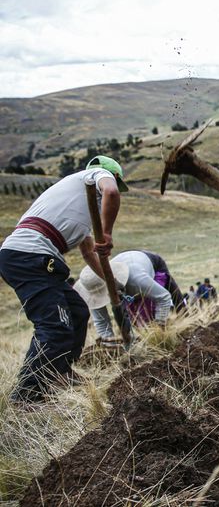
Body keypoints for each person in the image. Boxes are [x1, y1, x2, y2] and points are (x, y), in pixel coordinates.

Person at [0, 155, 127, 403]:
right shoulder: (93, 176)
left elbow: (89, 251)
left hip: (32, 257)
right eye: (117, 182)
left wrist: (113, 285)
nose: (113, 188)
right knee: (54, 328)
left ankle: (60, 371)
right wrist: (108, 233)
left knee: (78, 311)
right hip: (30, 255)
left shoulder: (78, 206)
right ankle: (26, 397)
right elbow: (111, 191)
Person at [74, 250, 184, 342]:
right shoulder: (92, 284)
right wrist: (108, 340)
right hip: (124, 264)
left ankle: (184, 318)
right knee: (137, 323)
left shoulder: (137, 279)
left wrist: (159, 327)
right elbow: (101, 321)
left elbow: (163, 297)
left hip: (147, 263)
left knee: (148, 319)